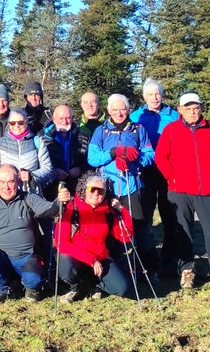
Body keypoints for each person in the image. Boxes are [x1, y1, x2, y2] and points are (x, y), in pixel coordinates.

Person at [0, 164, 71, 305]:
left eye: (11, 182)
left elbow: (50, 209)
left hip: (26, 256)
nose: (6, 187)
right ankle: (4, 289)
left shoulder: (28, 198)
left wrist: (60, 202)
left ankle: (29, 287)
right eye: (2, 182)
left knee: (34, 279)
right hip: (0, 255)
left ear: (18, 181)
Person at [87, 94, 158, 282]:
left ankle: (150, 269)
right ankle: (115, 269)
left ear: (128, 110)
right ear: (109, 111)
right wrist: (113, 153)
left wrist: (135, 157)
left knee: (140, 227)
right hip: (109, 188)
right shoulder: (101, 131)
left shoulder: (138, 129)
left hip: (132, 185)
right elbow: (92, 158)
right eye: (115, 109)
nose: (119, 113)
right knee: (109, 229)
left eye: (123, 109)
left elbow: (150, 155)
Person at [155, 92, 210, 289]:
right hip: (179, 191)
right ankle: (187, 270)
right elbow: (161, 157)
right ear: (180, 110)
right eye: (187, 109)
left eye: (195, 108)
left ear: (201, 108)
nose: (192, 112)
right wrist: (172, 177)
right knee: (183, 232)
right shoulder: (171, 130)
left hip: (206, 190)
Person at [55, 173, 132, 303]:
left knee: (122, 288)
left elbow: (125, 237)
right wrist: (91, 260)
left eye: (100, 191)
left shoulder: (107, 211)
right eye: (92, 189)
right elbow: (61, 243)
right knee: (66, 265)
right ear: (84, 190)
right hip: (76, 257)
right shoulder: (71, 208)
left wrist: (121, 210)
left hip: (100, 257)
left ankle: (93, 282)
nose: (96, 194)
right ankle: (76, 286)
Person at [130, 79, 180, 274]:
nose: (155, 97)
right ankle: (147, 261)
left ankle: (169, 261)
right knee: (146, 217)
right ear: (144, 97)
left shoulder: (174, 115)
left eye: (158, 93)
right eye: (150, 94)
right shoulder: (136, 116)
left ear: (162, 94)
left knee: (170, 217)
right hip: (146, 171)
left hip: (168, 171)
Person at [0, 109, 53, 195]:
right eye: (12, 123)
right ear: (9, 124)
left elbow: (48, 168)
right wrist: (4, 180)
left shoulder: (37, 142)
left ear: (26, 122)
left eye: (20, 122)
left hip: (31, 195)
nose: (16, 125)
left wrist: (32, 176)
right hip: (7, 195)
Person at [39, 105, 85, 200]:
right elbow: (37, 161)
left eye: (68, 118)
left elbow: (89, 161)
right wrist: (53, 171)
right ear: (53, 119)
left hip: (76, 184)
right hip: (50, 184)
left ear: (72, 119)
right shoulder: (42, 137)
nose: (64, 121)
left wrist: (80, 169)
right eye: (61, 118)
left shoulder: (83, 136)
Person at [78, 91, 105, 159]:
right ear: (81, 105)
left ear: (98, 104)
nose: (89, 105)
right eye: (86, 102)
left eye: (93, 102)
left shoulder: (108, 124)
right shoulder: (75, 126)